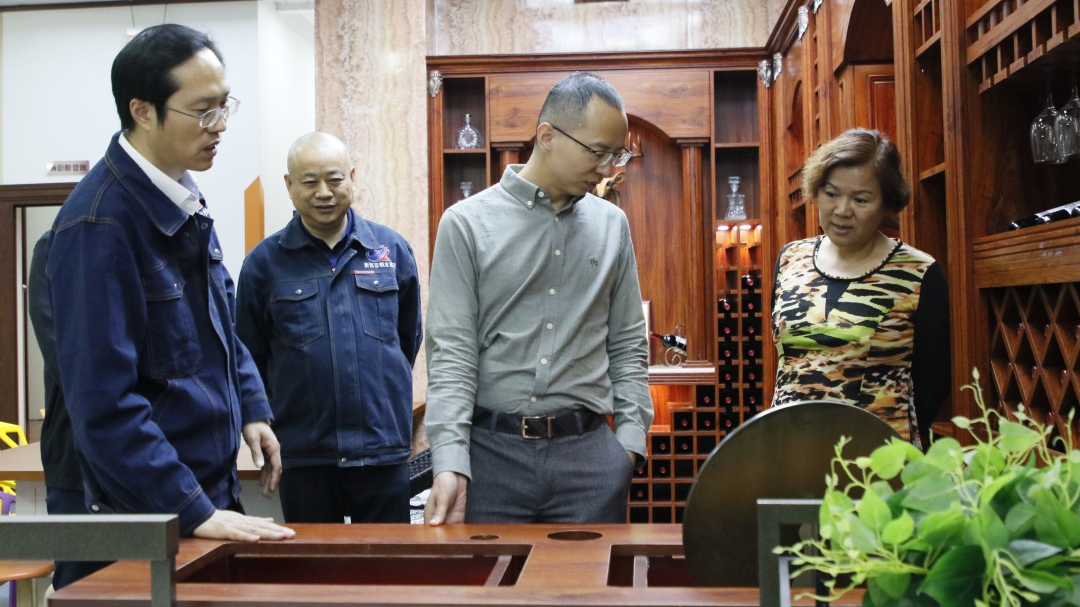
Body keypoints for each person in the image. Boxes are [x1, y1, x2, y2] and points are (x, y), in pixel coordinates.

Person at [45, 23, 294, 567]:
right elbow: (104, 406)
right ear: (141, 111)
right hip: (141, 516)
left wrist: (251, 406)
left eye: (225, 106)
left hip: (195, 495)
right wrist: (190, 509)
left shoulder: (182, 199)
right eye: (203, 111)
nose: (220, 125)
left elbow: (219, 327)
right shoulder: (99, 226)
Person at [424, 71, 653, 525]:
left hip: (589, 460)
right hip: (489, 459)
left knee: (592, 576)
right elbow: (451, 352)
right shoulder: (466, 224)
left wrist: (628, 446)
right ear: (547, 136)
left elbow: (628, 342)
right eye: (598, 152)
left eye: (617, 154)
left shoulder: (612, 226)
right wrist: (449, 459)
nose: (608, 168)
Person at [235, 131, 423, 524]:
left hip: (381, 449)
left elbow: (406, 340)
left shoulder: (390, 250)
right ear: (289, 185)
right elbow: (250, 356)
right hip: (305, 455)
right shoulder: (264, 264)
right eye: (309, 182)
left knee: (390, 559)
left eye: (335, 179)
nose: (324, 192)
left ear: (352, 177)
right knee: (313, 562)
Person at [770, 128, 951, 449]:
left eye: (861, 199)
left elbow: (935, 380)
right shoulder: (790, 259)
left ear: (886, 203)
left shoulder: (919, 272)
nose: (842, 210)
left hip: (878, 458)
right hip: (791, 451)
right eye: (831, 194)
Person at [28, 230, 111, 590]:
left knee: (149, 586)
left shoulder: (154, 243)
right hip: (78, 458)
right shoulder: (57, 245)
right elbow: (68, 361)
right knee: (82, 586)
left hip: (157, 457)